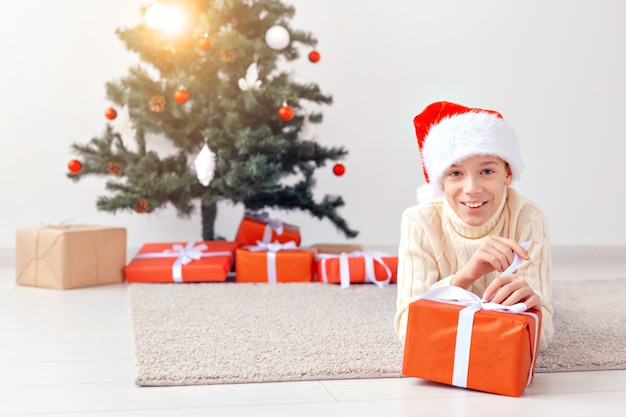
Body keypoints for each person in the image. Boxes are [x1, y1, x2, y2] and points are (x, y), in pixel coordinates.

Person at [394, 100, 553, 351]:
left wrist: (532, 308)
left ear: (508, 174)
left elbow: (540, 337)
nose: (472, 189)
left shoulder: (528, 219)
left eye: (487, 171)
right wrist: (467, 275)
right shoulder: (420, 222)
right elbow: (409, 329)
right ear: (441, 183)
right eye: (455, 173)